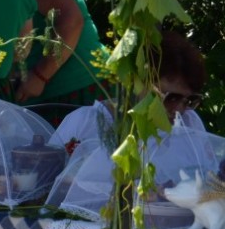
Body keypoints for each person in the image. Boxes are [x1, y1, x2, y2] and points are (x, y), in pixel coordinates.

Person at [54, 28, 209, 150]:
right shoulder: (85, 123)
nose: (179, 109)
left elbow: (207, 175)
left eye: (190, 100)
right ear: (137, 83)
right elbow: (49, 175)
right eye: (171, 97)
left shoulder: (189, 122)